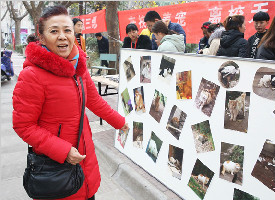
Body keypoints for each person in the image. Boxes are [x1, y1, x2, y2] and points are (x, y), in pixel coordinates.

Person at [12, 6, 128, 200]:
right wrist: (63, 151)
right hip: (55, 167)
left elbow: (94, 100)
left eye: (67, 30)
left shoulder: (78, 66)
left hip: (85, 156)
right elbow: (23, 126)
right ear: (41, 37)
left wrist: (120, 122)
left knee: (87, 192)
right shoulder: (31, 76)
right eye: (54, 31)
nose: (62, 36)